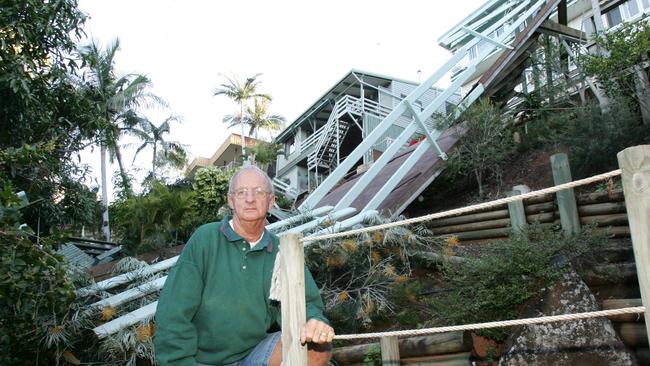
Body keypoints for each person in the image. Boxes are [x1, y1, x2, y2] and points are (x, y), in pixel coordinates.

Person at [154, 165, 334, 366]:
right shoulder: (205, 239)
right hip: (201, 360)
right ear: (231, 200)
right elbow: (173, 312)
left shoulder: (281, 251)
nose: (250, 199)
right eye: (242, 193)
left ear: (271, 201)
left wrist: (314, 322)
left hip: (253, 353)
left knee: (316, 350)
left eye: (259, 192)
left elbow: (306, 302)